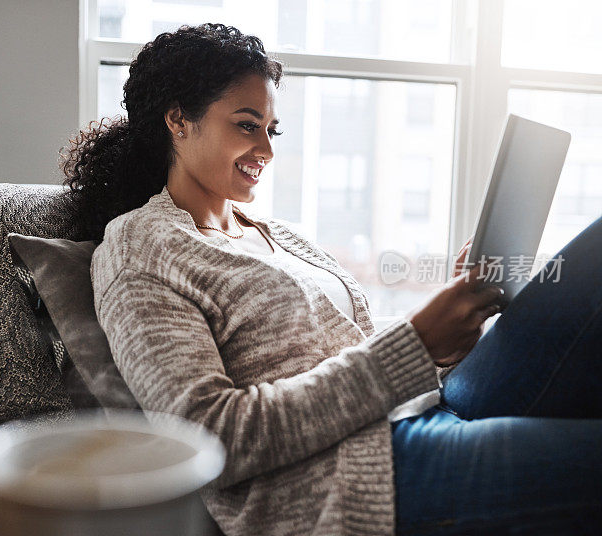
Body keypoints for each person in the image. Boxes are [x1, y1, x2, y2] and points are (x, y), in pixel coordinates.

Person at [60, 23, 602, 536]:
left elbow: (365, 362)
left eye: (271, 130)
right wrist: (411, 344)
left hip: (427, 409)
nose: (267, 150)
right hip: (347, 479)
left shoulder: (279, 235)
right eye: (247, 125)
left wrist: (452, 336)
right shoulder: (141, 248)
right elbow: (206, 438)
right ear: (179, 121)